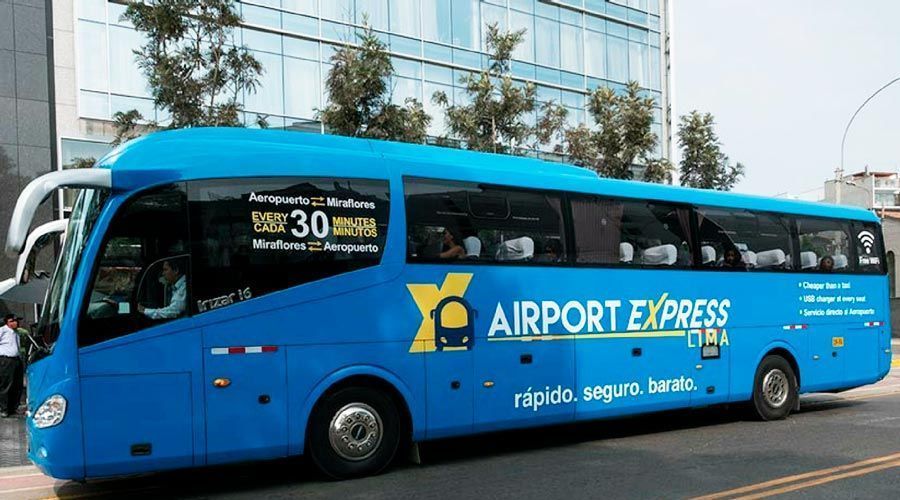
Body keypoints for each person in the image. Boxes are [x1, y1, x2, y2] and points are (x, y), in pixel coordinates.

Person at [0, 314, 24, 418]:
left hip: (16, 359)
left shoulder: (16, 332)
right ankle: (4, 408)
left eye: (16, 320)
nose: (15, 322)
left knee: (17, 385)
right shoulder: (2, 330)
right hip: (6, 360)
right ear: (7, 322)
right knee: (6, 384)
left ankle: (14, 407)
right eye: (12, 321)